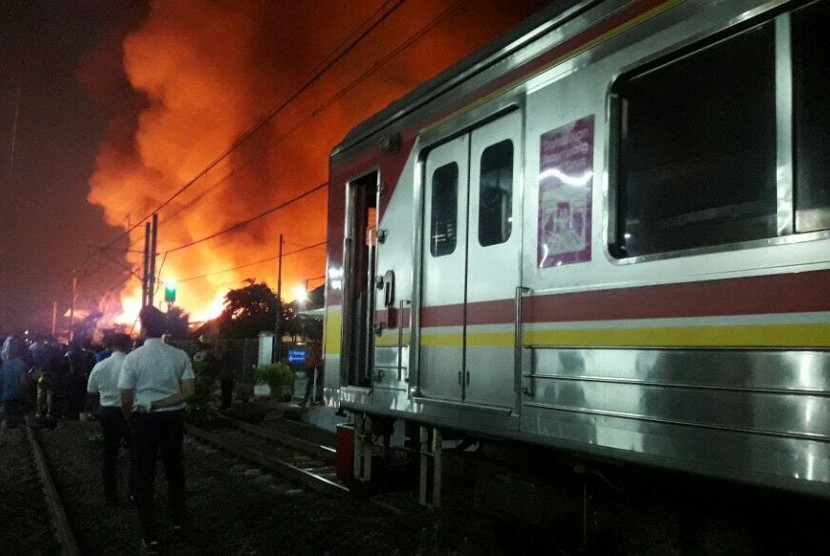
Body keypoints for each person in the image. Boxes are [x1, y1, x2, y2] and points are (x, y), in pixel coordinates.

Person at [119, 306, 194, 553]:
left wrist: (136, 414)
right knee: (175, 470)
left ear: (143, 328)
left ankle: (150, 535)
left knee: (144, 475)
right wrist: (162, 403)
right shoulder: (179, 355)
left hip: (144, 421)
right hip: (173, 419)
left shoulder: (132, 359)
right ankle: (180, 523)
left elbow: (126, 396)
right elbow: (187, 392)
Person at [86, 333, 134, 505]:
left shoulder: (101, 365)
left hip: (108, 413)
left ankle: (110, 494)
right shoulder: (133, 365)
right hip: (131, 412)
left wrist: (97, 409)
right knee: (136, 453)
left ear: (111, 346)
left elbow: (91, 390)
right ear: (129, 346)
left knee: (109, 454)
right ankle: (134, 492)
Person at [1, 336, 30, 441]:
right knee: (18, 419)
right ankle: (18, 439)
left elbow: (1, 381)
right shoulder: (22, 365)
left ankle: (5, 440)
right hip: (19, 396)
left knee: (7, 418)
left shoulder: (4, 365)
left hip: (6, 396)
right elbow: (24, 382)